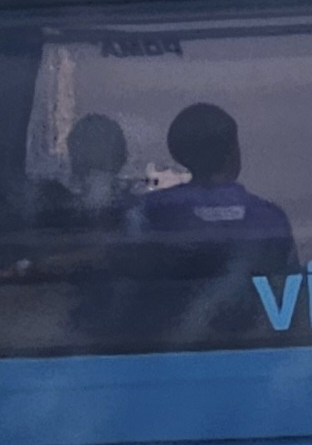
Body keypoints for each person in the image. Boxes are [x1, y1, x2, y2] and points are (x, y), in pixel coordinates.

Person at [125, 103, 296, 336]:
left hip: (160, 350)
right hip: (252, 349)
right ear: (234, 152)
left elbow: (128, 289)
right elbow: (291, 298)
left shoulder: (148, 212)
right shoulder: (268, 217)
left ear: (176, 151)